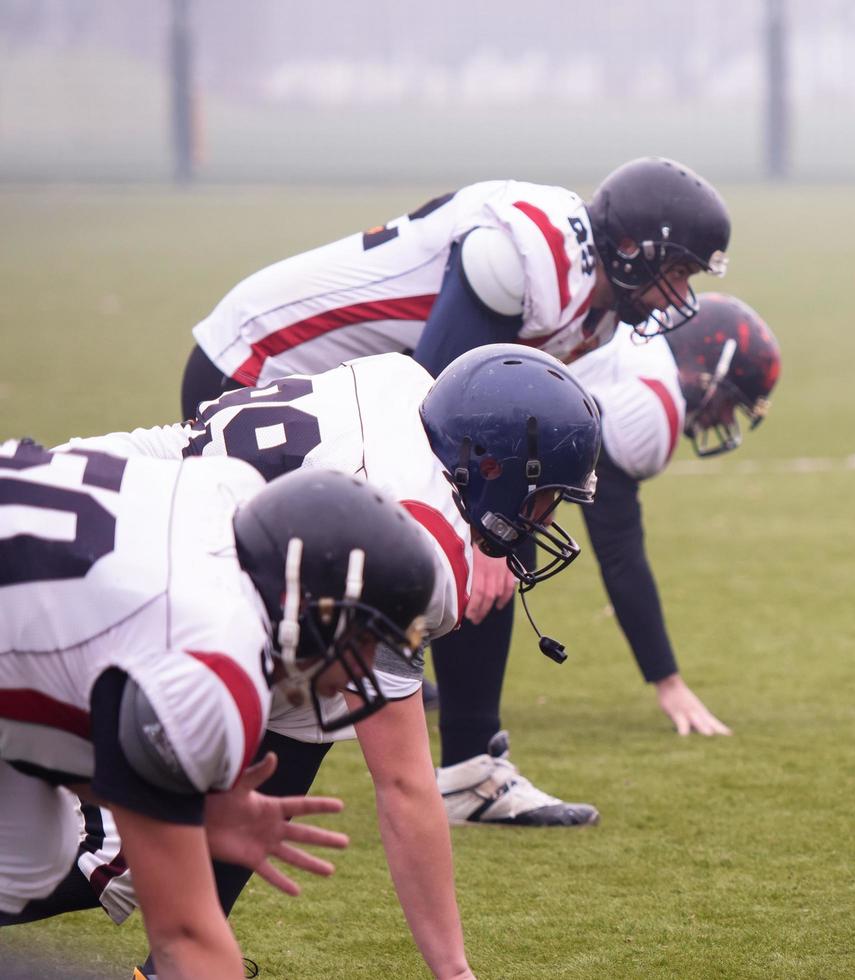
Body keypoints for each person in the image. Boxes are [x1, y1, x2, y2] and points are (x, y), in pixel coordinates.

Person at [60, 343, 601, 977]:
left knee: (308, 704)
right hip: (105, 561)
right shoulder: (416, 543)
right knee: (112, 857)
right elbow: (402, 782)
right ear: (490, 469)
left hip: (108, 486)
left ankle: (179, 967)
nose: (547, 518)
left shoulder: (402, 383)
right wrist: (455, 972)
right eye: (544, 498)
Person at [0, 455, 435, 979]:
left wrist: (192, 805)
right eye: (363, 637)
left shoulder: (224, 490)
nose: (365, 665)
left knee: (33, 848)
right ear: (307, 598)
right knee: (30, 853)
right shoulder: (216, 664)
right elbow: (185, 938)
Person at [179, 156, 732, 420]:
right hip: (262, 363)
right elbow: (435, 407)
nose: (679, 296)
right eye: (679, 273)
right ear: (633, 249)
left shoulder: (599, 316)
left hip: (329, 392)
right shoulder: (530, 254)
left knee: (481, 552)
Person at [532, 293, 782, 739]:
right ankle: (470, 746)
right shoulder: (652, 406)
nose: (722, 418)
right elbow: (620, 551)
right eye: (729, 402)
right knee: (497, 552)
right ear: (708, 369)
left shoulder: (631, 337)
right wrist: (668, 681)